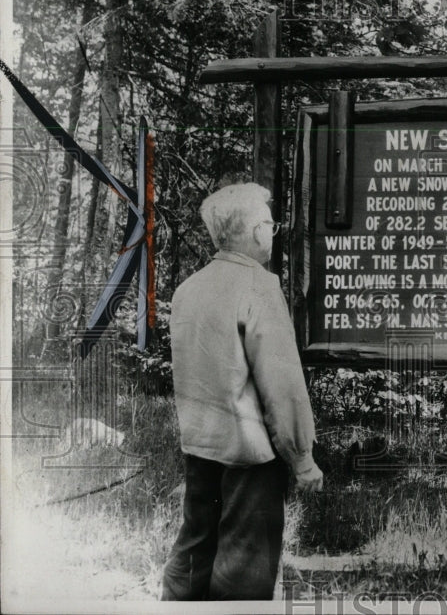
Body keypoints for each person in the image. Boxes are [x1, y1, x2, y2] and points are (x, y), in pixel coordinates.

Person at [161, 182, 323, 600]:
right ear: (255, 232)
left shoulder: (187, 290)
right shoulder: (259, 287)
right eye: (270, 223)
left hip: (199, 449)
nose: (272, 230)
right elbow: (283, 387)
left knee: (194, 551)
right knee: (243, 571)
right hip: (250, 459)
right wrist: (302, 459)